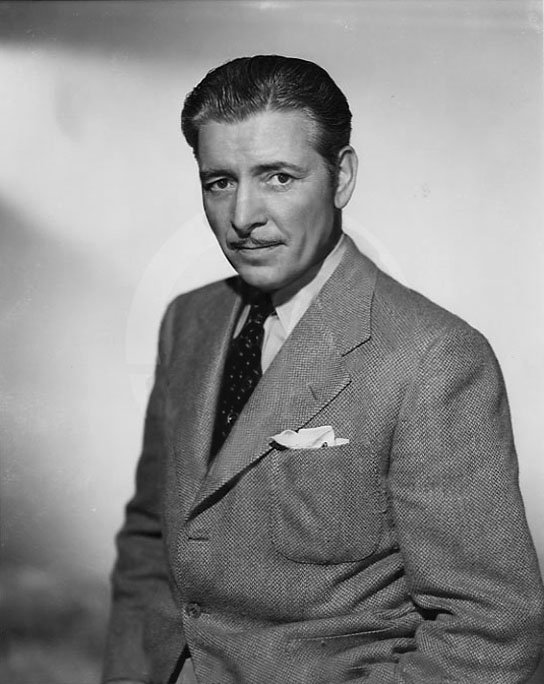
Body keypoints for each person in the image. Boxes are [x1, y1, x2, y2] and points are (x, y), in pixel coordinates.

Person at [102, 55, 544, 684]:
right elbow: (151, 540)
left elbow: (493, 629)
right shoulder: (189, 320)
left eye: (278, 177)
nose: (243, 216)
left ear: (342, 178)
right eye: (219, 181)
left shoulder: (434, 358)